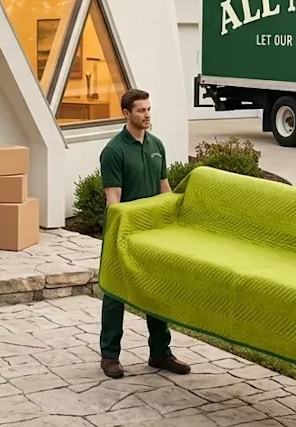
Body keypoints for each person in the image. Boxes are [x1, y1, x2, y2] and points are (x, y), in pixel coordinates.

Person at [97, 88, 191, 380]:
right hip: (123, 233)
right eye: (141, 110)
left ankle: (160, 352)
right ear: (126, 114)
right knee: (116, 295)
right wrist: (118, 235)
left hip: (154, 233)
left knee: (157, 291)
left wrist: (178, 220)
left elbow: (165, 188)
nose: (147, 115)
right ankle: (110, 356)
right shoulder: (114, 151)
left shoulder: (157, 145)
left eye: (149, 109)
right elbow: (113, 199)